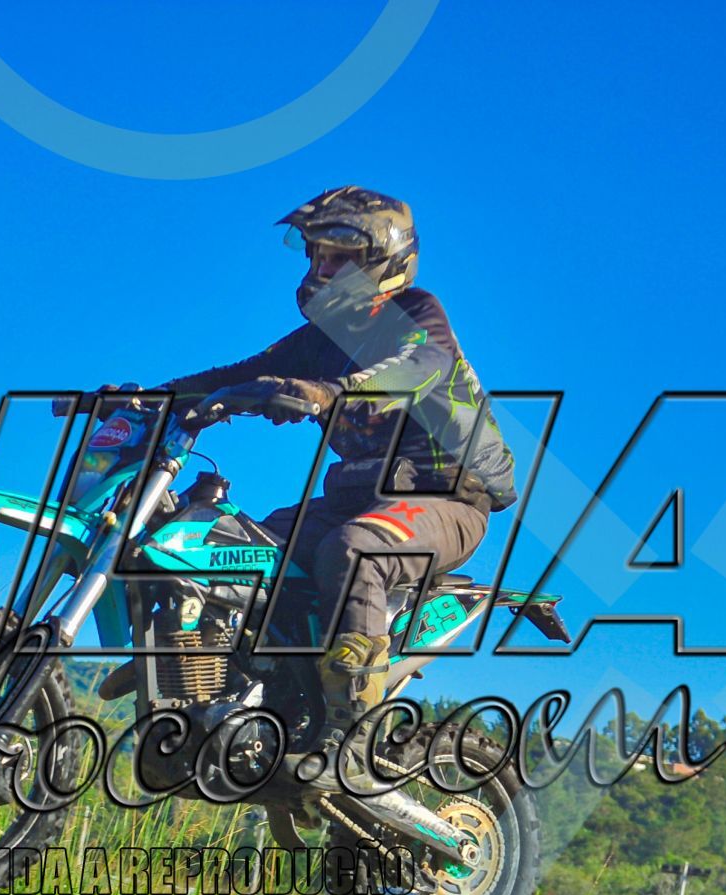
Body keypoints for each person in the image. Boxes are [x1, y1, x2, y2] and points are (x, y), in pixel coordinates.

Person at [151, 186, 520, 781]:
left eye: (339, 258)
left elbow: (420, 365)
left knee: (354, 551)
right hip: (356, 498)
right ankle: (251, 701)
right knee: (236, 549)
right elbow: (240, 372)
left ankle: (352, 732)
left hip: (444, 500)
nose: (322, 270)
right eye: (317, 256)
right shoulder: (319, 342)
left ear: (382, 261)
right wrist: (144, 398)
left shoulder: (417, 316)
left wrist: (330, 392)